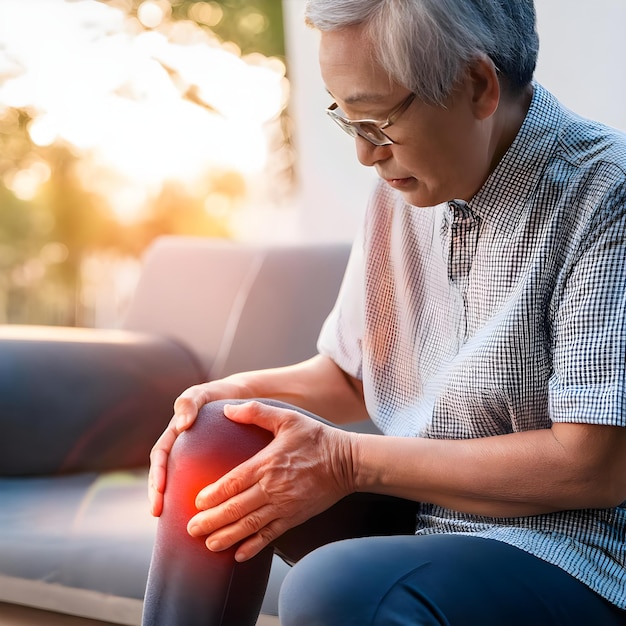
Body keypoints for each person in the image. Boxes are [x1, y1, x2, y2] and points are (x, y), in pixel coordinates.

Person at [142, 0, 626, 624]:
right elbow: (352, 379)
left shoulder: (604, 196)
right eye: (347, 121)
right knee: (218, 437)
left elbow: (594, 467)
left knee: (336, 586)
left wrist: (345, 461)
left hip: (573, 552)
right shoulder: (405, 187)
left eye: (376, 121)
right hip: (425, 507)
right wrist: (229, 396)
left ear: (477, 86)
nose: (365, 156)